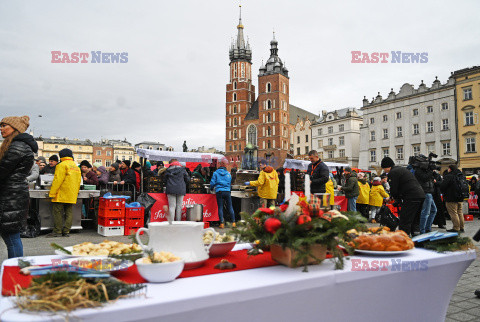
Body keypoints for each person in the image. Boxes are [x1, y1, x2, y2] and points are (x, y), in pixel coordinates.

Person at [0, 116, 38, 258]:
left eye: (4, 125)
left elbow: (2, 170)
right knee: (11, 236)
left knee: (11, 237)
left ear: (15, 128)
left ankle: (15, 270)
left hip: (10, 197)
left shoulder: (17, 147)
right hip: (12, 195)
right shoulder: (19, 145)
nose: (1, 128)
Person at [381, 157, 425, 236]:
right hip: (420, 195)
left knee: (404, 221)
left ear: (388, 167)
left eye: (384, 168)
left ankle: (403, 240)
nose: (384, 171)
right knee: (415, 221)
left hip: (411, 197)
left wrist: (392, 198)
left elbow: (394, 189)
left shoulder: (393, 172)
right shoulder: (402, 169)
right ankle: (417, 240)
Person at [47, 149, 81, 237]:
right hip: (72, 193)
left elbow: (58, 180)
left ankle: (57, 231)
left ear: (61, 156)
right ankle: (66, 231)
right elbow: (78, 181)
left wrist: (52, 193)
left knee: (57, 212)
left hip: (61, 193)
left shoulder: (61, 165)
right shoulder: (76, 166)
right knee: (69, 212)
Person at [440, 164, 466, 233]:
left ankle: (456, 228)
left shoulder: (449, 176)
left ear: (450, 169)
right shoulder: (461, 175)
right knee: (460, 212)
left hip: (451, 197)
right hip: (460, 197)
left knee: (453, 213)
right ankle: (461, 227)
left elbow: (443, 186)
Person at [210, 159, 236, 228]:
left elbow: (212, 183)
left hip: (220, 192)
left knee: (220, 207)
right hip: (227, 191)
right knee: (230, 207)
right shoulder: (228, 174)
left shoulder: (215, 173)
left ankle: (222, 223)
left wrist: (211, 188)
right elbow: (230, 183)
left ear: (219, 166)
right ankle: (233, 222)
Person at [415, 165, 437, 234]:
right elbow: (425, 178)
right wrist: (431, 171)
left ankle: (427, 228)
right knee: (426, 212)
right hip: (426, 192)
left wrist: (432, 172)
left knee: (434, 210)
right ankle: (423, 230)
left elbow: (432, 178)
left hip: (429, 192)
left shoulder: (427, 172)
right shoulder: (419, 171)